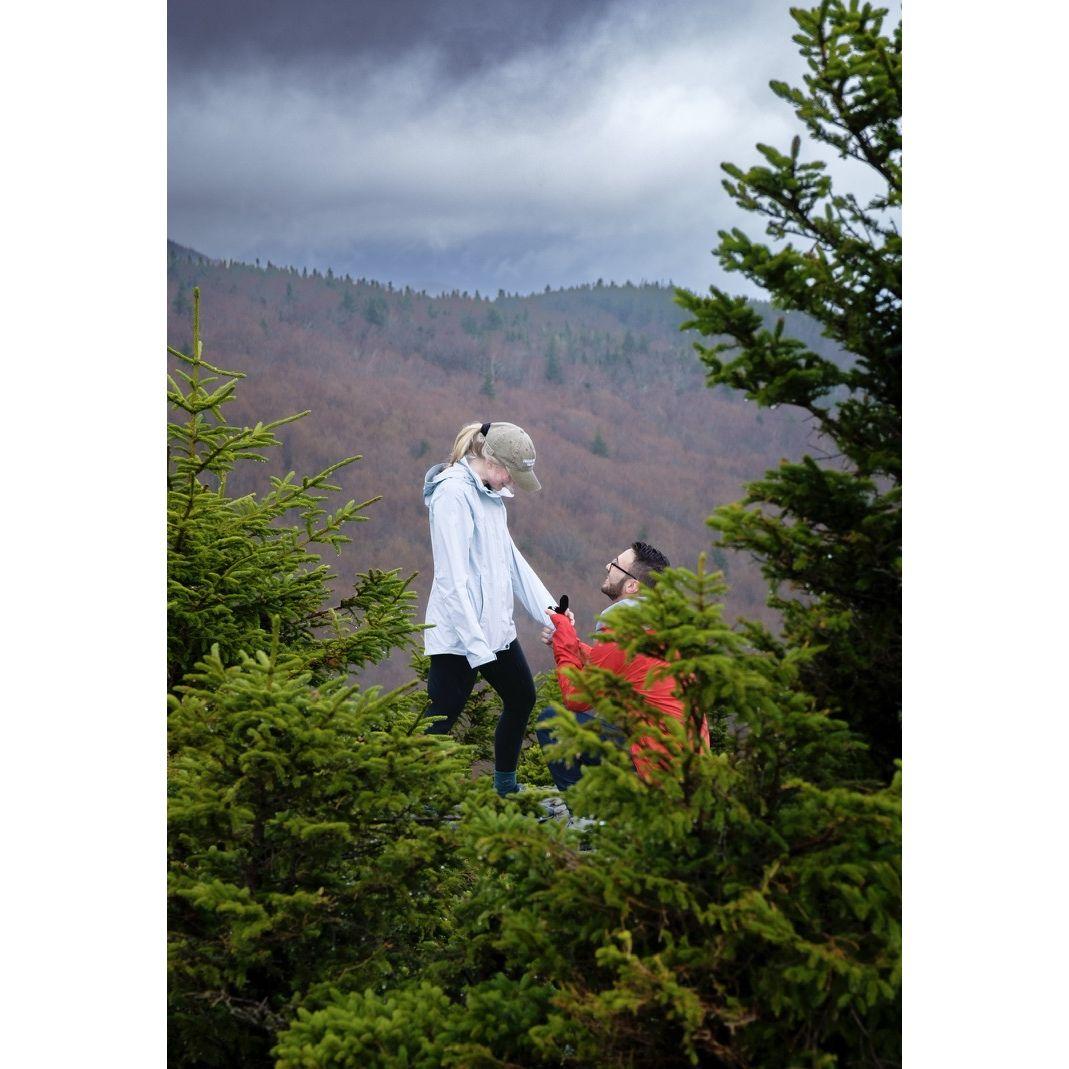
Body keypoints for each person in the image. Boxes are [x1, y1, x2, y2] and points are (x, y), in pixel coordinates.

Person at [422, 421, 556, 798]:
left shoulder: (492, 496)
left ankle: (506, 789)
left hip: (496, 632)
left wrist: (552, 612)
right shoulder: (453, 495)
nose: (512, 483)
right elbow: (451, 580)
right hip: (459, 637)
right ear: (492, 461)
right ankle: (410, 798)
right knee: (440, 718)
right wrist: (475, 646)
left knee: (522, 697)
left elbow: (511, 562)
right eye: (511, 474)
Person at [536, 541, 710, 792]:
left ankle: (583, 810)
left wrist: (564, 635)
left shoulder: (623, 630)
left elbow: (576, 699)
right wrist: (567, 642)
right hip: (683, 765)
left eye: (616, 564)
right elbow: (613, 663)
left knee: (552, 722)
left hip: (657, 770)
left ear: (632, 586)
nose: (608, 566)